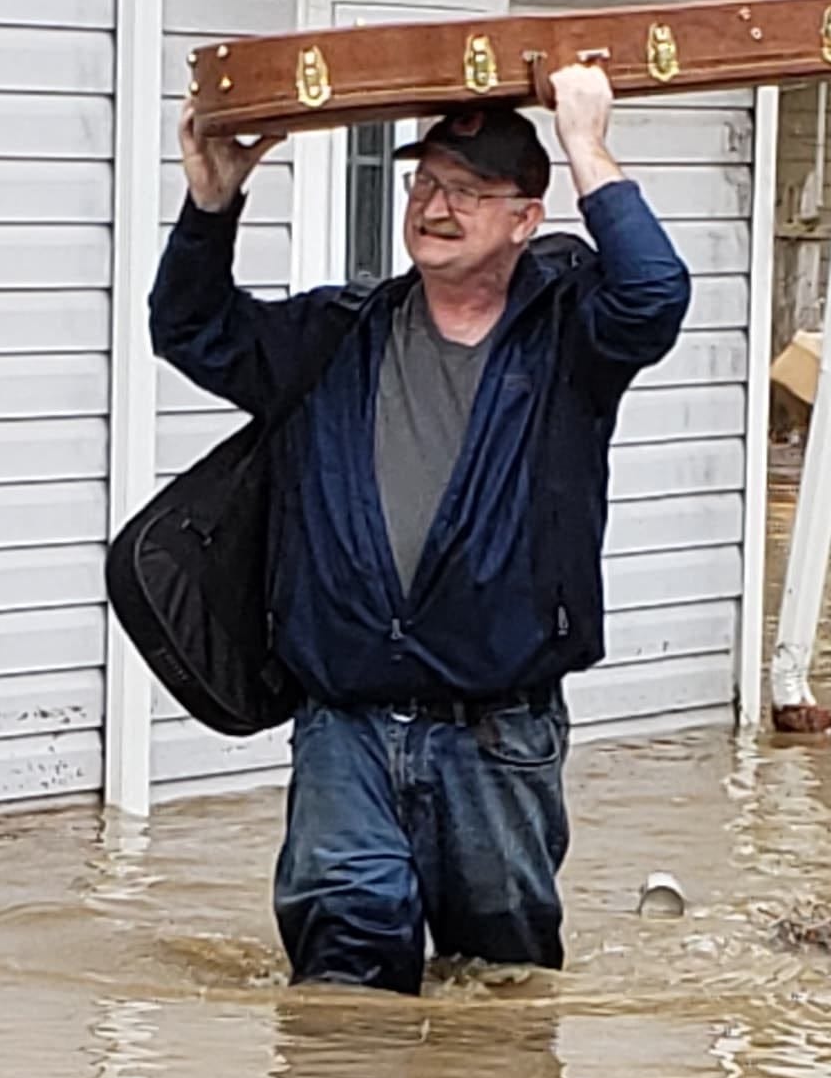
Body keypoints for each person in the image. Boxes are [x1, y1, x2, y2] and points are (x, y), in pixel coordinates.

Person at [149, 64, 690, 991]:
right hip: (345, 727)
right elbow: (191, 328)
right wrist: (211, 202)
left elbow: (655, 295)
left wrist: (587, 145)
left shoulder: (570, 340)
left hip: (497, 732)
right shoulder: (337, 333)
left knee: (503, 984)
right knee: (343, 970)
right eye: (426, 183)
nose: (437, 208)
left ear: (527, 218)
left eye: (470, 192)